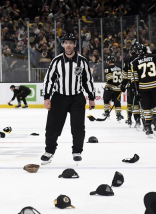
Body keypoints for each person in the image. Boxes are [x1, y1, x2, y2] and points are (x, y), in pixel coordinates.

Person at [40, 32, 95, 165]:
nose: (68, 45)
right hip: (59, 97)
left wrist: (91, 97)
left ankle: (77, 151)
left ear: (74, 45)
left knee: (78, 127)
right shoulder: (57, 61)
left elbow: (87, 80)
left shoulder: (82, 61)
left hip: (77, 97)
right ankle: (49, 151)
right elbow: (49, 80)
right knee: (52, 126)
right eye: (66, 43)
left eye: (71, 43)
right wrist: (47, 97)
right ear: (63, 45)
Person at [131, 42, 156, 137]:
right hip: (154, 86)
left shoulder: (135, 62)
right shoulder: (154, 58)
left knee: (146, 108)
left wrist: (135, 91)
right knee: (155, 106)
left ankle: (148, 127)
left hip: (143, 88)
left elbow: (134, 79)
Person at [121, 43, 142, 128]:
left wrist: (123, 84)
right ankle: (149, 121)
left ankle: (135, 119)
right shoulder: (144, 58)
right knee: (146, 103)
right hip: (144, 84)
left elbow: (125, 75)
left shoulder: (128, 60)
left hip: (132, 84)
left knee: (133, 103)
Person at [102, 55, 123, 121]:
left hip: (111, 88)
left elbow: (109, 79)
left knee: (106, 99)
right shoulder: (119, 68)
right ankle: (118, 114)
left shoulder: (107, 68)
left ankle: (106, 112)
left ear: (108, 61)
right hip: (118, 88)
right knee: (117, 102)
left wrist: (108, 87)